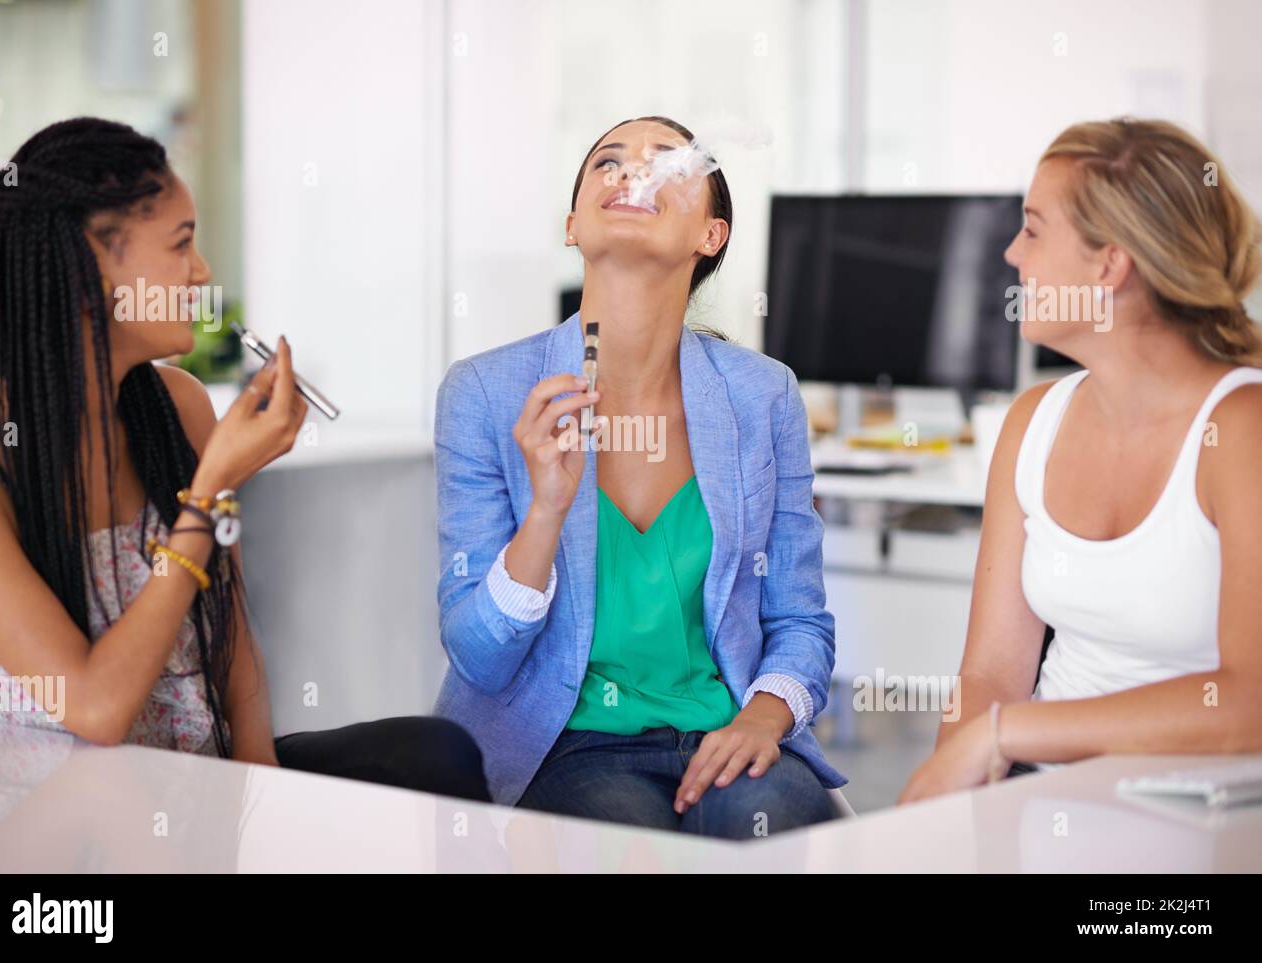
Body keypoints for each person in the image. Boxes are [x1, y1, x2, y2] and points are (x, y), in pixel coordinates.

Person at [0, 117, 488, 803]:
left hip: (195, 781)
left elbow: (229, 629)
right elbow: (94, 708)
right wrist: (207, 495)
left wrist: (256, 771)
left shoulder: (176, 405)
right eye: (181, 244)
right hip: (64, 818)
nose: (203, 272)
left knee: (436, 753)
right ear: (86, 266)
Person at [433, 115, 844, 838]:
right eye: (609, 163)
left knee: (770, 823)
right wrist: (545, 516)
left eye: (664, 165)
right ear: (572, 225)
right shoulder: (485, 392)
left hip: (728, 732)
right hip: (569, 747)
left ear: (710, 236)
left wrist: (763, 715)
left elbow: (800, 621)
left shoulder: (763, 396)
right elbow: (478, 657)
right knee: (628, 848)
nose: (631, 174)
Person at [901, 118, 1262, 802]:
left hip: (1199, 812)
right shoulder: (1032, 421)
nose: (1011, 254)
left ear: (1110, 263)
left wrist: (1007, 734)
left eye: (1033, 229)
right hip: (1042, 795)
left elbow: (1249, 703)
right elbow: (989, 676)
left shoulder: (1242, 428)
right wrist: (947, 812)